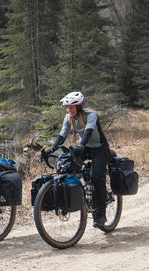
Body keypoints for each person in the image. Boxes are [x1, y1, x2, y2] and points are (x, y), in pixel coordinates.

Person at [41, 91, 111, 230]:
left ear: (79, 107)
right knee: (67, 167)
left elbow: (88, 132)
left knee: (97, 177)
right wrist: (51, 150)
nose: (69, 110)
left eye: (71, 107)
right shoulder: (68, 118)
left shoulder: (91, 115)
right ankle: (81, 193)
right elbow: (62, 136)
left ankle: (100, 215)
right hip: (84, 147)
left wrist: (80, 146)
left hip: (100, 149)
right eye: (67, 107)